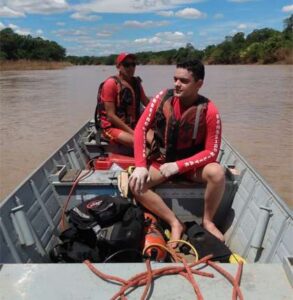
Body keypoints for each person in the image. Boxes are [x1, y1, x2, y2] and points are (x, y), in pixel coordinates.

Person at [129, 59, 226, 246]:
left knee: (217, 172)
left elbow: (211, 152)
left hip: (191, 166)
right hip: (161, 161)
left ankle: (208, 221)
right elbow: (141, 129)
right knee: (136, 184)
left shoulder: (210, 110)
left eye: (183, 81)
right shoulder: (161, 98)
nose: (176, 84)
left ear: (199, 84)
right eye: (175, 79)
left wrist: (179, 166)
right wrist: (141, 166)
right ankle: (175, 223)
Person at [95, 52, 152, 147]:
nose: (131, 68)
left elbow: (146, 102)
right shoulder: (111, 84)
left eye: (133, 64)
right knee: (139, 142)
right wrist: (134, 133)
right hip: (112, 127)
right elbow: (111, 116)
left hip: (133, 124)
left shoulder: (136, 83)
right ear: (118, 66)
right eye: (126, 65)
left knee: (156, 140)